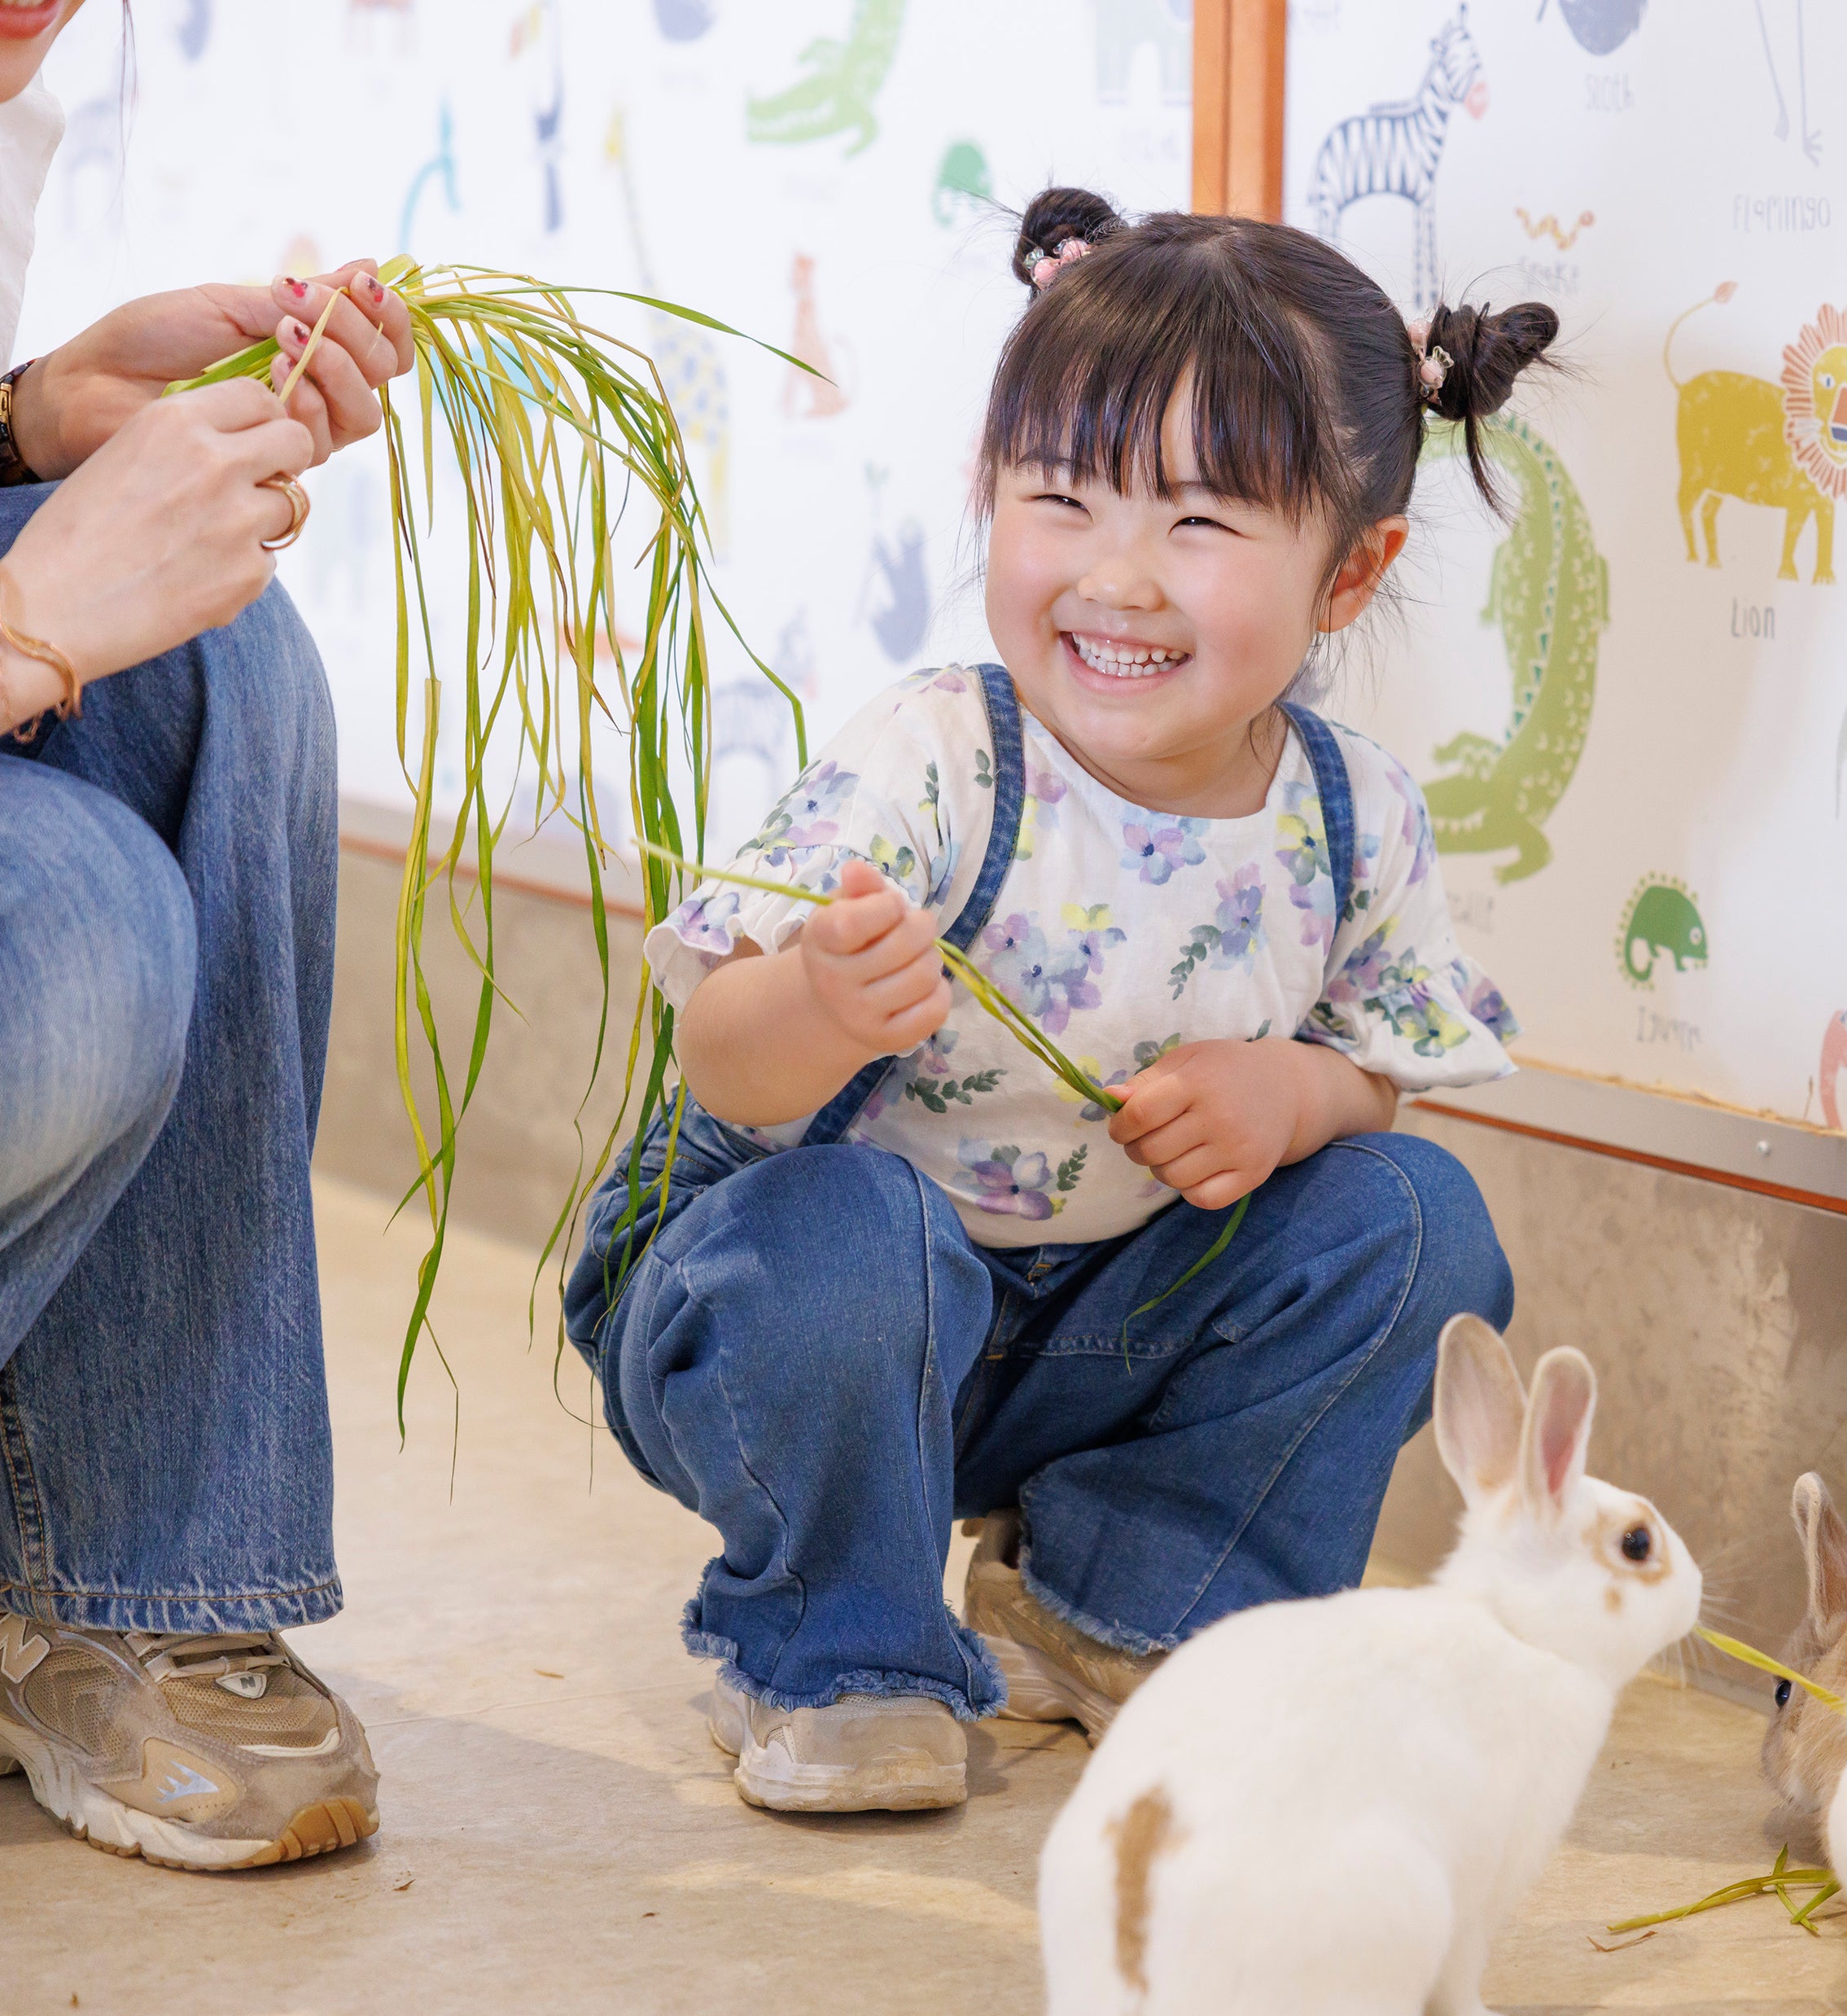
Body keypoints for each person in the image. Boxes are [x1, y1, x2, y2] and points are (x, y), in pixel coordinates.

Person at [564, 187, 1547, 1814]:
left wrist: (1291, 1096)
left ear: (1351, 573)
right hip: (817, 1326)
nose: (1118, 576)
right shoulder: (940, 754)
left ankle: (1123, 1603)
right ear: (988, 495)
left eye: (1202, 523)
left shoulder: (1348, 808)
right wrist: (819, 997)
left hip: (1109, 1329)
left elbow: (1380, 1066)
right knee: (851, 1237)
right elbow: (721, 1065)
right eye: (1063, 500)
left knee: (1419, 1222)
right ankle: (834, 1640)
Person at [0, 1, 409, 1870]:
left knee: (209, 648)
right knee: (55, 936)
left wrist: (31, 430)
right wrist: (15, 621)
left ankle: (80, 1585)